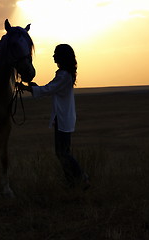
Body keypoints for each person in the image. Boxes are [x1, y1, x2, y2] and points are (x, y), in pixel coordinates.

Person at [19, 44, 90, 189]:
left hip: (63, 118)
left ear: (62, 56)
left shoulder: (63, 75)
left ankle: (81, 177)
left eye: (56, 53)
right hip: (64, 117)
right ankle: (72, 182)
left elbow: (48, 89)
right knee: (63, 152)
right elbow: (49, 88)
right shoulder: (64, 74)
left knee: (62, 152)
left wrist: (28, 88)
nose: (53, 56)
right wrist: (34, 87)